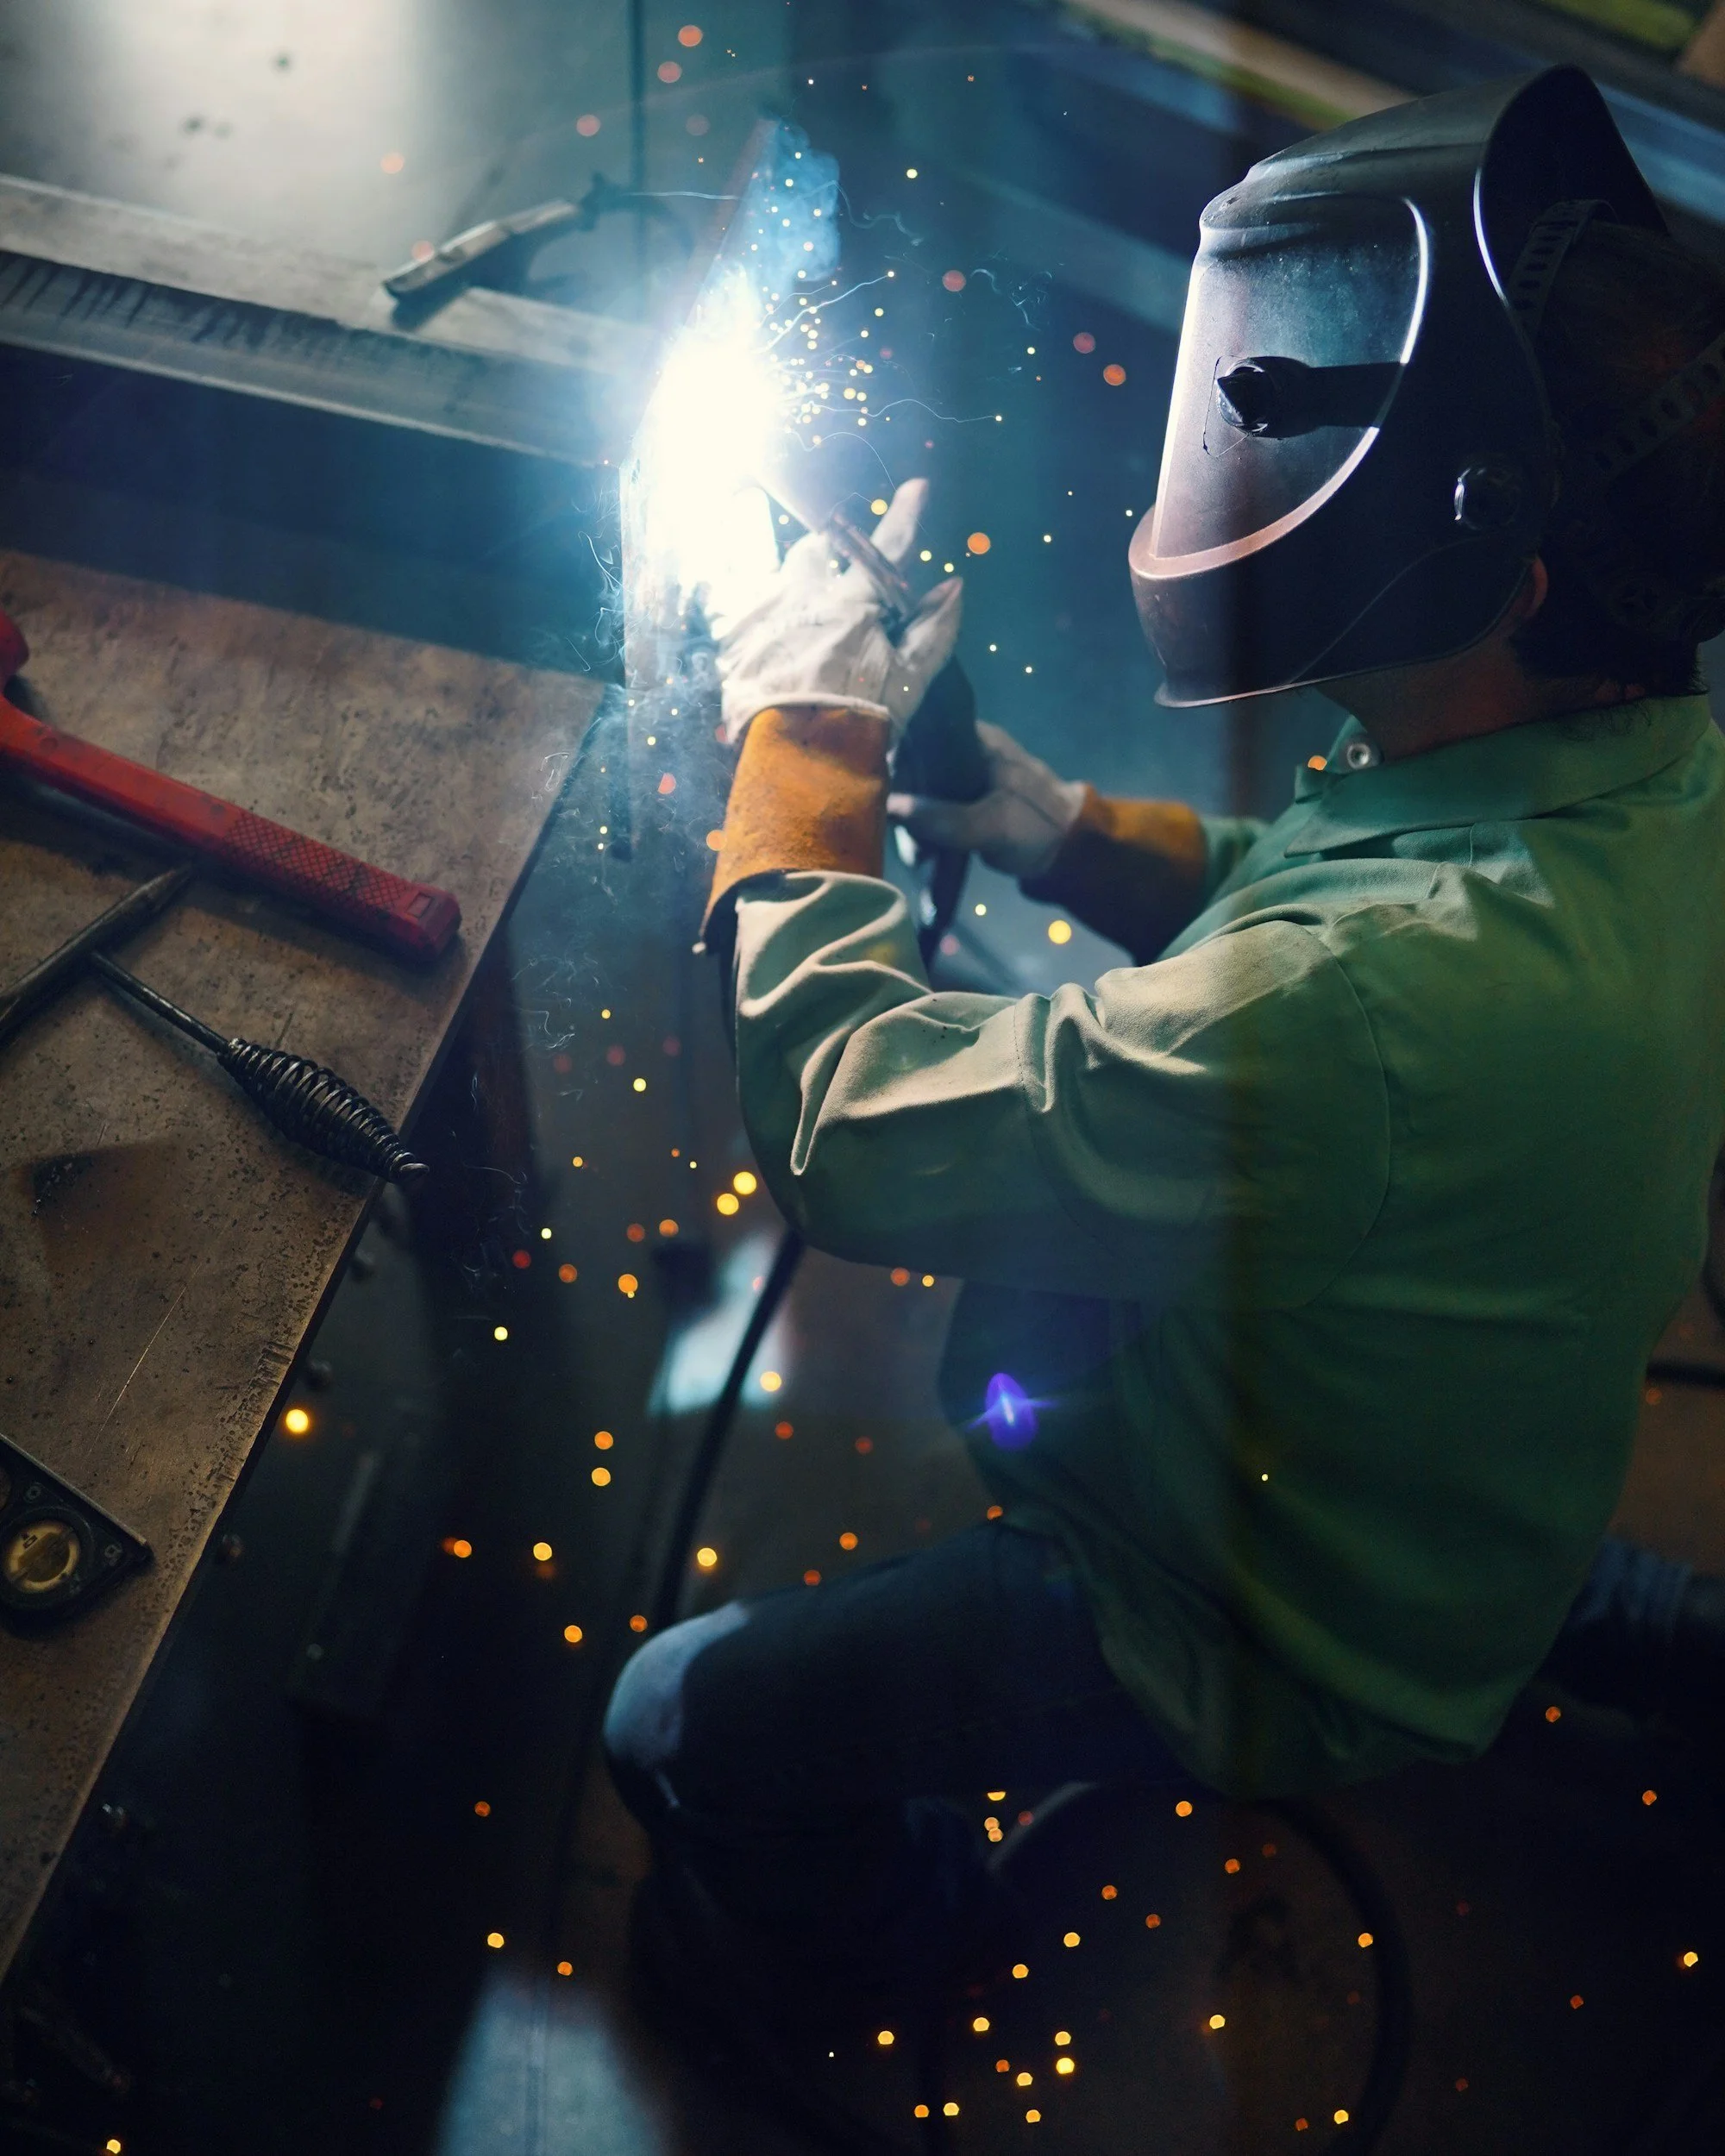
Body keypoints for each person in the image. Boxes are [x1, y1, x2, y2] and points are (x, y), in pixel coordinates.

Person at [605, 66, 1725, 2059]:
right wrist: (1042, 819)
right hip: (1474, 1469)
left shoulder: (1367, 1005)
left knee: (671, 1713)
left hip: (1236, 1602)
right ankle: (1560, 1613)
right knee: (1516, 1585)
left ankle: (888, 1942)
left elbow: (855, 1138)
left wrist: (802, 737)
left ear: (1506, 574)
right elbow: (1329, 894)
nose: (1255, 431)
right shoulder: (1655, 773)